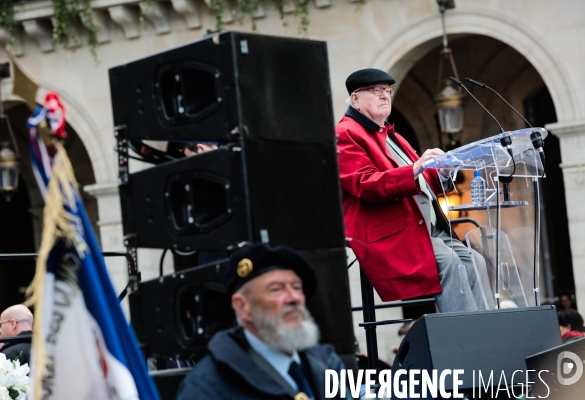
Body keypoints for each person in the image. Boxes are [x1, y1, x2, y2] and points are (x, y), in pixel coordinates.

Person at [336, 68, 491, 313]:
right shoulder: (345, 133)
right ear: (355, 99)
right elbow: (365, 184)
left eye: (387, 91)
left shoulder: (391, 134)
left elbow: (424, 179)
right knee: (450, 264)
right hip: (393, 233)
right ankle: (467, 341)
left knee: (476, 261)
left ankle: (486, 330)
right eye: (376, 91)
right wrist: (416, 167)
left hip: (425, 227)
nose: (385, 96)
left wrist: (443, 172)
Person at [176, 243, 350, 400]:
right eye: (276, 289)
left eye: (297, 287)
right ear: (243, 307)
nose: (294, 298)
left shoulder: (325, 363)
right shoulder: (208, 386)